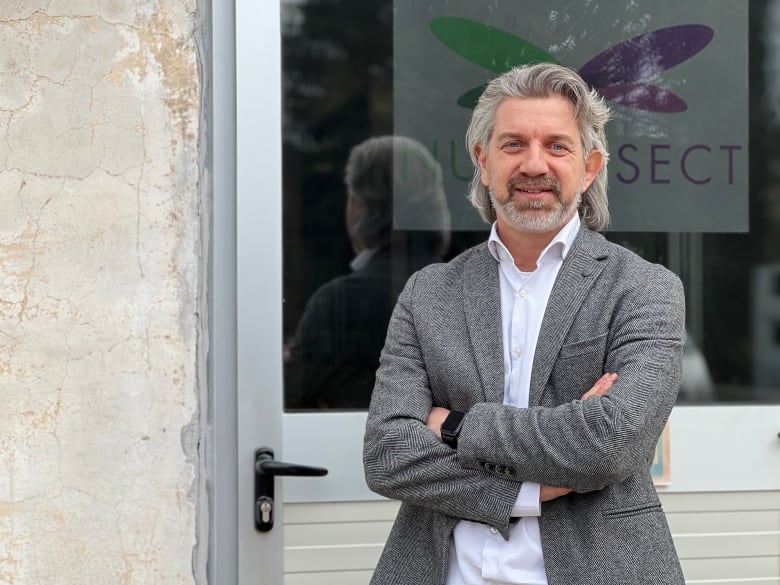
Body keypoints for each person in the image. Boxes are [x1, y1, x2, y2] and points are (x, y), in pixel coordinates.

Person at [363, 63, 686, 584]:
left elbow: (611, 443)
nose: (534, 164)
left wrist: (453, 426)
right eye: (513, 144)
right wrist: (529, 491)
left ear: (589, 166)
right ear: (483, 161)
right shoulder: (429, 292)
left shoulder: (643, 288)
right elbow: (387, 452)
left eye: (557, 146)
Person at [285, 136, 450, 409]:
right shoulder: (468, 290)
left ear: (361, 204)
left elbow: (290, 404)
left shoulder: (338, 302)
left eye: (351, 195)